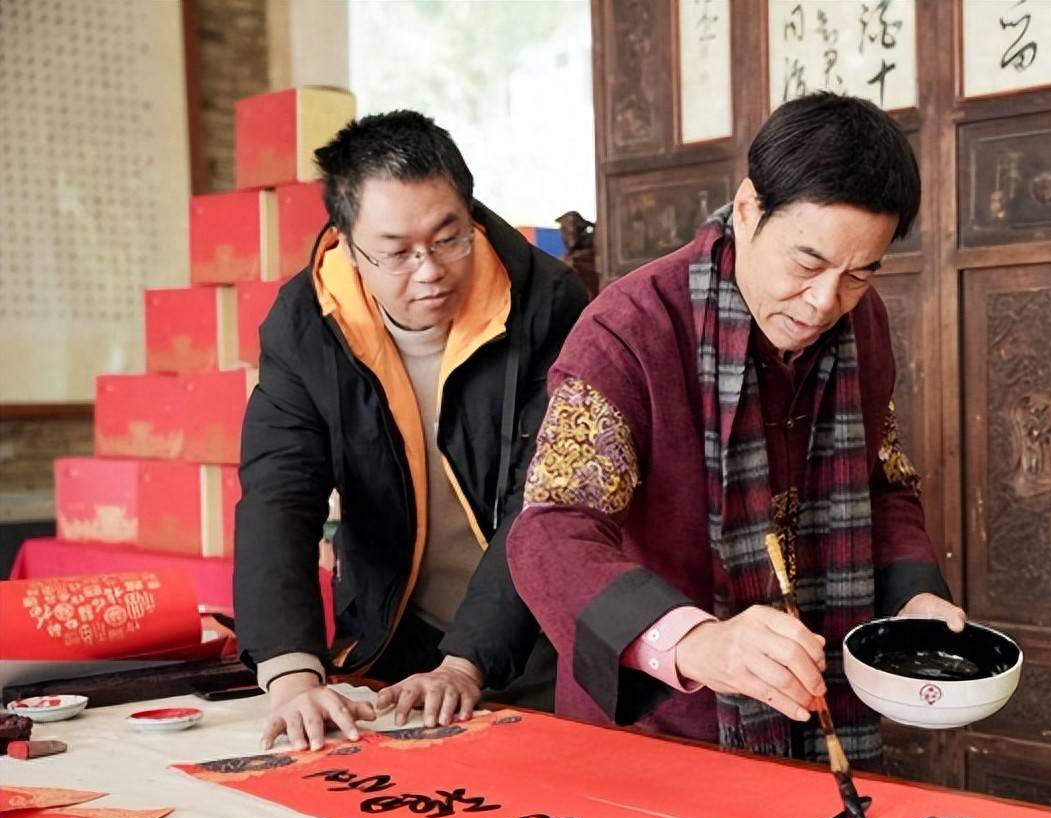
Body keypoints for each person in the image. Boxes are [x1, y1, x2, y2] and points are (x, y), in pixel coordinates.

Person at [506, 93, 964, 768]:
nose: (824, 303)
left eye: (858, 275)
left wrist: (913, 598)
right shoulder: (630, 330)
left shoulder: (861, 324)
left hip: (818, 698)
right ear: (748, 209)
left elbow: (882, 480)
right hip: (660, 725)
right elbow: (552, 529)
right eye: (806, 264)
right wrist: (696, 642)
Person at [235, 110, 589, 751]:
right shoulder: (306, 323)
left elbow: (541, 494)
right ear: (347, 244)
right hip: (396, 629)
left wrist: (466, 662)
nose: (429, 270)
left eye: (449, 239)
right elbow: (279, 493)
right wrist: (291, 678)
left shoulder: (547, 300)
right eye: (397, 252)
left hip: (538, 630)